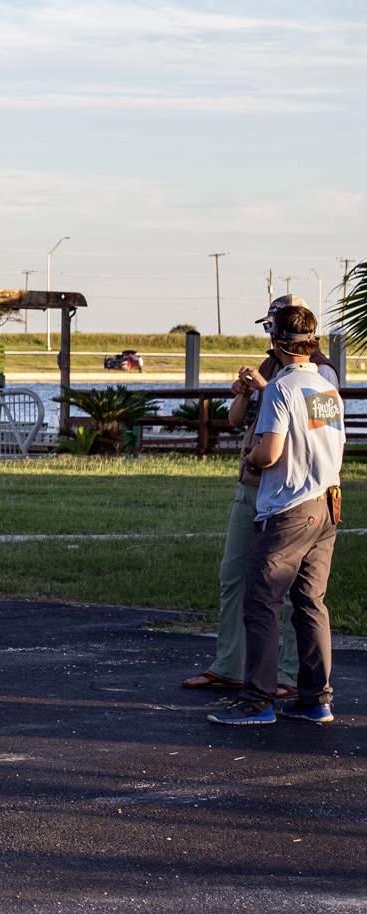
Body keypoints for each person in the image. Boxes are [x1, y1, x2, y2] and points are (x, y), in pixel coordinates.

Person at [183, 294, 330, 696]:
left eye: (273, 325)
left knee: (282, 593)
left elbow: (309, 437)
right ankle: (232, 665)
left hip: (291, 495)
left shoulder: (318, 376)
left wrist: (266, 391)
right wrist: (245, 392)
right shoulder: (274, 370)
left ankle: (277, 683)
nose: (268, 334)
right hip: (257, 490)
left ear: (287, 332)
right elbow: (236, 420)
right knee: (236, 579)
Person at [210, 303, 344, 726]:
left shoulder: (282, 388)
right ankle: (316, 698)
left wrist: (250, 454)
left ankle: (258, 700)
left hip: (287, 508)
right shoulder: (325, 387)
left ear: (276, 340)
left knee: (262, 602)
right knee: (310, 604)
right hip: (326, 503)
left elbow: (269, 453)